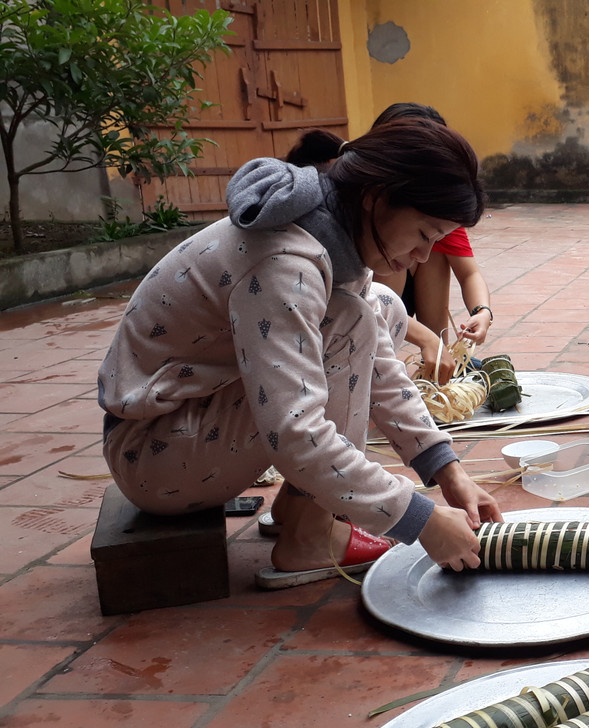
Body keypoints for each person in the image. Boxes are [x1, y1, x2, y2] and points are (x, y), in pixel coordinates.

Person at [97, 117, 502, 588]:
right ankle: (311, 536)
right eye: (424, 234)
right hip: (155, 456)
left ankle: (301, 503)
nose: (422, 257)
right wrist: (420, 521)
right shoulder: (285, 265)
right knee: (350, 322)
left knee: (382, 308)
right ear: (376, 196)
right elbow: (295, 431)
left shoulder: (329, 226)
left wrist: (446, 471)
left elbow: (382, 370)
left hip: (193, 424)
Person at [361, 103, 494, 382]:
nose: (420, 254)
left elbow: (469, 272)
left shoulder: (437, 216)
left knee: (434, 253)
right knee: (392, 255)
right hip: (373, 317)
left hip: (404, 307)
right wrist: (424, 337)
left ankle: (438, 360)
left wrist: (482, 312)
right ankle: (383, 362)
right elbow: (366, 298)